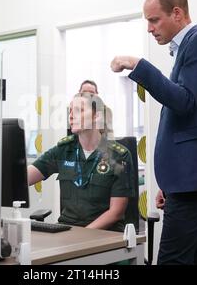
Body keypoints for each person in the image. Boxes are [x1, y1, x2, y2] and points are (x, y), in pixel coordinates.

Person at [110, 0, 197, 264]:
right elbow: (184, 119)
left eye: (154, 20)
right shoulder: (185, 50)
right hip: (186, 179)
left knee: (171, 261)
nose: (149, 29)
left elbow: (184, 101)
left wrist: (138, 64)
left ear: (177, 13)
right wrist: (168, 181)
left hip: (193, 178)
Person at [28, 92, 135, 232]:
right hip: (67, 230)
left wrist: (82, 235)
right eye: (70, 110)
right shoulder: (64, 150)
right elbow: (24, 177)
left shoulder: (118, 155)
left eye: (79, 110)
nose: (71, 115)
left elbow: (115, 213)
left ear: (97, 116)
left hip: (104, 234)